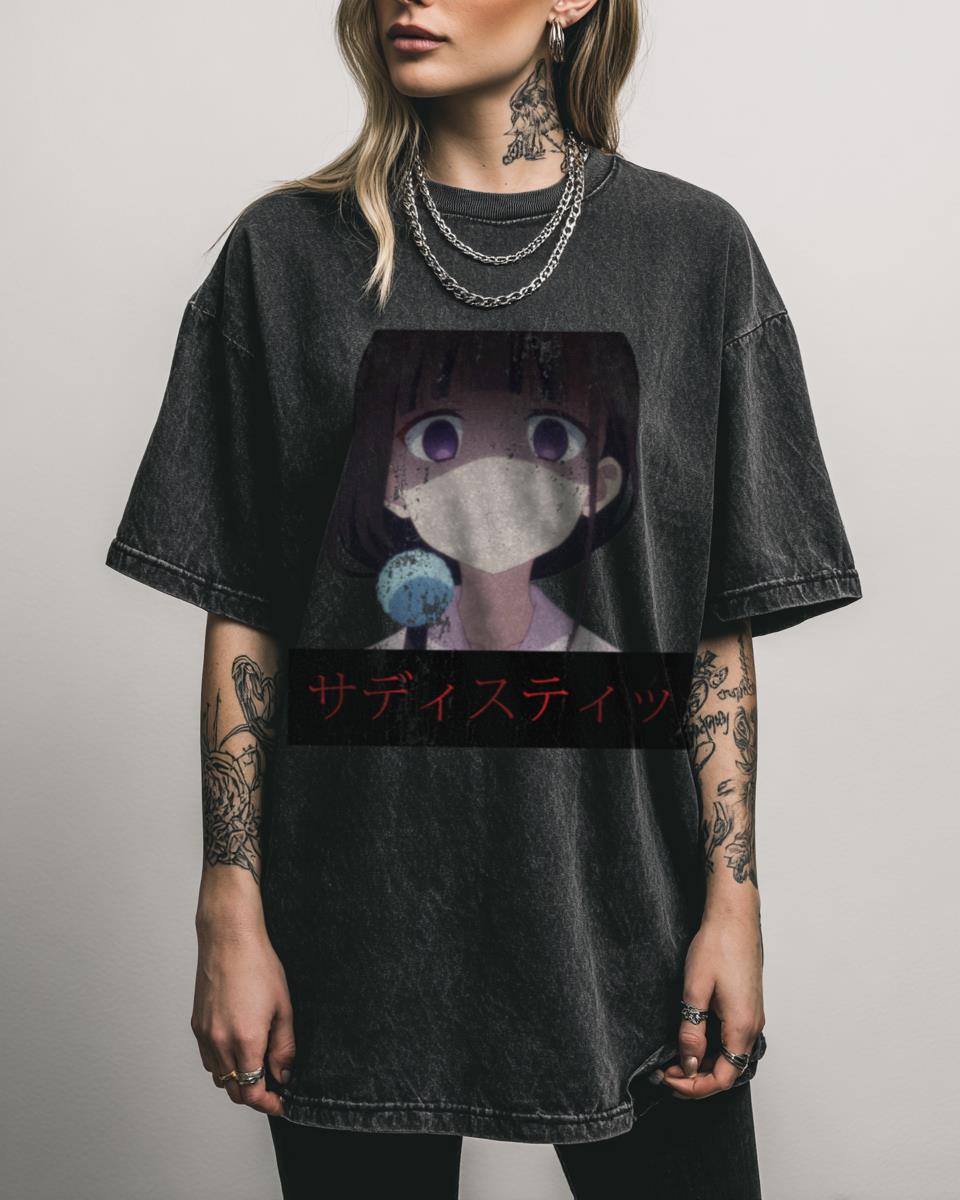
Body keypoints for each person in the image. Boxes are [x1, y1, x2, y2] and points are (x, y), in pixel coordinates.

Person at [104, 0, 864, 1196]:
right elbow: (244, 607)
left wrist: (734, 901)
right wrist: (229, 905)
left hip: (629, 923)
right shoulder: (284, 256)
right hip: (353, 933)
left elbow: (715, 627)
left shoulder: (694, 253)